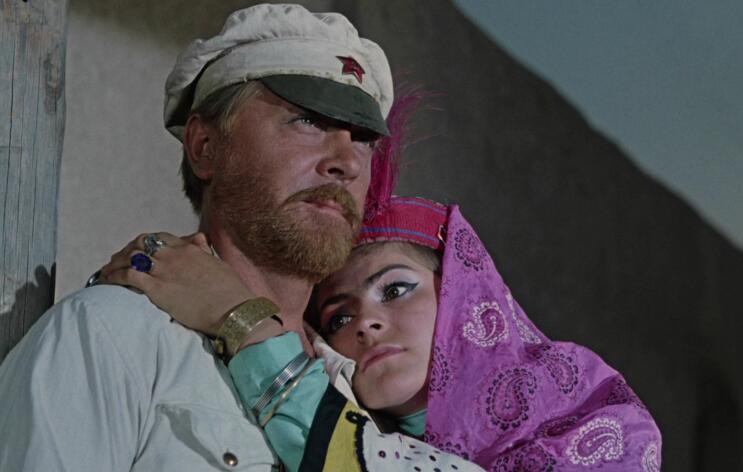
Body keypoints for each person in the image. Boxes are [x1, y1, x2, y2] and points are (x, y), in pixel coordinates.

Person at [0, 4, 452, 471]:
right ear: (205, 147)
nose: (348, 162)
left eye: (362, 138)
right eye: (308, 121)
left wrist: (244, 322)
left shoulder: (372, 405)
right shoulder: (113, 335)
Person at [98, 196, 663, 471]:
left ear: (468, 295)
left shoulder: (597, 423)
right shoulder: (301, 425)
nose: (365, 323)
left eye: (395, 289)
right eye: (339, 318)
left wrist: (242, 321)